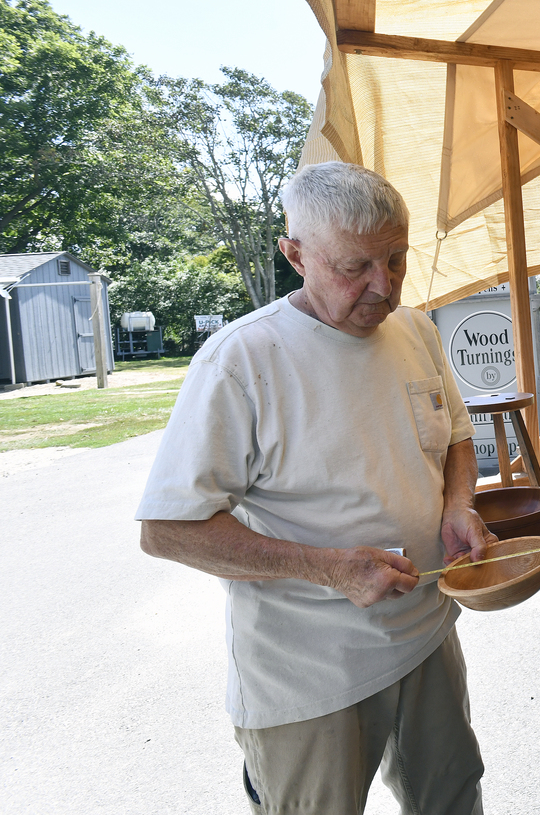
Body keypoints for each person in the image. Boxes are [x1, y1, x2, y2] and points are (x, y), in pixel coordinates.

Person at [138, 161, 491, 814]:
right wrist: (328, 569)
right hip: (308, 673)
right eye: (353, 267)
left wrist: (457, 503)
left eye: (395, 259)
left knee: (451, 798)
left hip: (426, 634)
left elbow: (459, 439)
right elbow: (168, 529)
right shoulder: (242, 359)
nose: (382, 287)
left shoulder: (416, 330)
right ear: (295, 254)